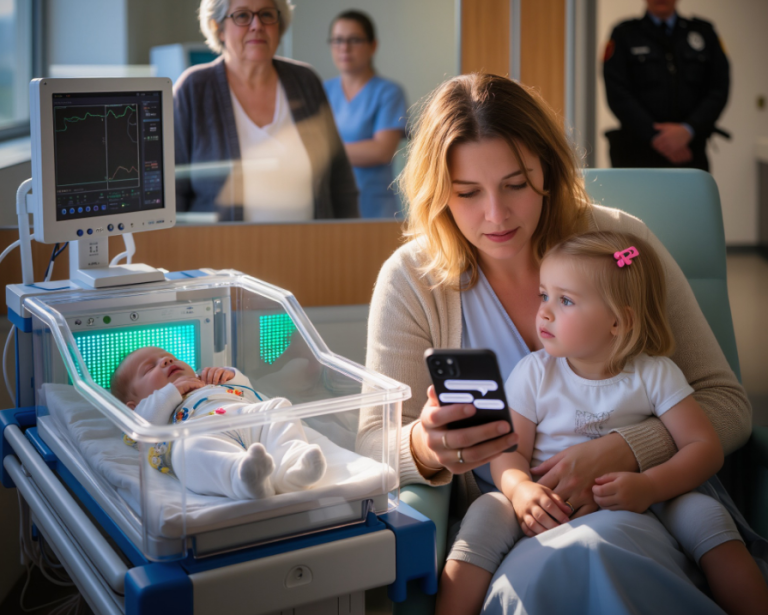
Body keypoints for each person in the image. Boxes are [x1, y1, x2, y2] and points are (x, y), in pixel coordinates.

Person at [357, 73, 753, 614]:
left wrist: (628, 451)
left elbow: (727, 404)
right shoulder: (412, 279)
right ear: (437, 190)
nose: (496, 215)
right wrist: (428, 448)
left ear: (548, 168)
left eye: (516, 184)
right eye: (468, 193)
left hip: (646, 514)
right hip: (519, 529)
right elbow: (371, 443)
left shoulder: (619, 246)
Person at [439, 231, 768, 615]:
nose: (544, 311)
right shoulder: (533, 373)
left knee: (706, 514)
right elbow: (510, 452)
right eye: (544, 295)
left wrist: (649, 485)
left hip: (648, 500)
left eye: (565, 300)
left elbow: (704, 448)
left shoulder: (655, 374)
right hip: (546, 502)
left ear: (618, 320)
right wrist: (520, 490)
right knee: (485, 512)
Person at [174, 0, 359, 221]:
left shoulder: (305, 81)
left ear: (279, 25)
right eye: (242, 16)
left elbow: (340, 182)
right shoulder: (193, 89)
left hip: (312, 253)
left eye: (267, 14)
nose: (256, 25)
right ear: (218, 28)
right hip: (220, 256)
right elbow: (171, 192)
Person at [110, 347, 326, 499]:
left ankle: (292, 468)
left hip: (245, 414)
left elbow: (249, 392)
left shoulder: (205, 380)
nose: (166, 361)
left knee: (278, 407)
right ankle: (242, 475)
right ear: (134, 406)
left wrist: (231, 375)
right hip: (201, 430)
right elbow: (138, 427)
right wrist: (171, 392)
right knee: (187, 450)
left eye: (169, 357)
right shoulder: (152, 409)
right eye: (149, 369)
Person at [603, 0, 730, 171]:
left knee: (689, 207)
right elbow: (617, 92)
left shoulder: (704, 33)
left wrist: (688, 130)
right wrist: (657, 137)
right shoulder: (624, 35)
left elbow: (718, 89)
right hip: (637, 154)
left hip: (690, 151)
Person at [324, 10, 407, 218]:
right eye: (337, 40)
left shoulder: (388, 92)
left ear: (373, 46)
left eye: (354, 40)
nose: (344, 47)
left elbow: (382, 150)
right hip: (331, 203)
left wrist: (324, 153)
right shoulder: (322, 91)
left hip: (374, 207)